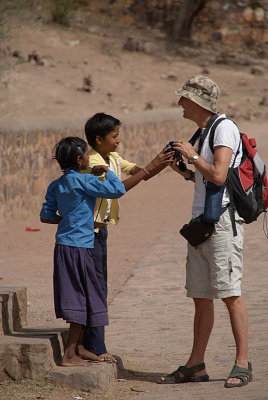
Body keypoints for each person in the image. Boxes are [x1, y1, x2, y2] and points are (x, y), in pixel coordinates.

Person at [159, 75, 252, 388]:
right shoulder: (203, 131)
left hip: (223, 223)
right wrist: (182, 168)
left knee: (230, 294)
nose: (179, 104)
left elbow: (218, 175)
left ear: (197, 102)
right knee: (201, 296)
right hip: (203, 223)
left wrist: (191, 153)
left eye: (183, 99)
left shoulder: (223, 128)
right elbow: (203, 178)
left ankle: (242, 363)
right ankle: (196, 364)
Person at [81, 112, 172, 363]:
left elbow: (140, 172)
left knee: (99, 285)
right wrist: (153, 165)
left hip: (100, 231)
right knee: (96, 287)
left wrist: (162, 163)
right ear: (99, 139)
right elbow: (117, 190)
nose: (118, 141)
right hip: (89, 232)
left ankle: (91, 343)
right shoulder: (93, 162)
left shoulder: (111, 157)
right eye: (114, 136)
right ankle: (96, 348)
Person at [40, 136, 126, 367]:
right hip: (81, 247)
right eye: (87, 154)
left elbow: (46, 216)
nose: (89, 157)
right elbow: (118, 190)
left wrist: (70, 220)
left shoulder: (56, 185)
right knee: (81, 295)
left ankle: (79, 347)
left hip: (63, 245)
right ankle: (69, 355)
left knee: (79, 293)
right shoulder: (83, 181)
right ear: (80, 159)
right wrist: (106, 171)